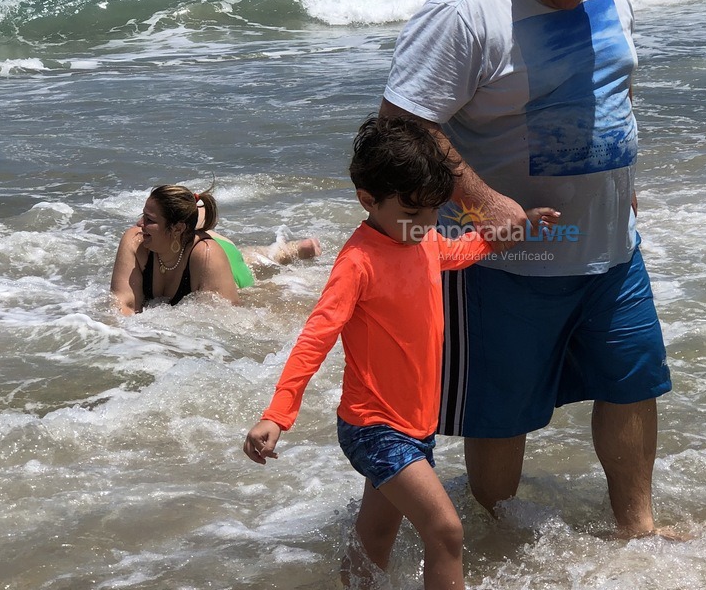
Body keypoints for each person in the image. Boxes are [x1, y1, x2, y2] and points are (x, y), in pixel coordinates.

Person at [380, 0, 672, 539]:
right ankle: (504, 545)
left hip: (612, 245)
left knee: (632, 383)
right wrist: (480, 202)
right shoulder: (465, 8)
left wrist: (626, 189)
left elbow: (615, 88)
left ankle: (640, 532)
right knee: (501, 414)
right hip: (506, 260)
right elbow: (401, 121)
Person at [243, 116, 557, 589]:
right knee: (446, 530)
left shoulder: (421, 237)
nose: (427, 224)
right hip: (374, 427)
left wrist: (517, 229)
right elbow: (315, 337)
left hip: (415, 424)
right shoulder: (358, 263)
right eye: (413, 213)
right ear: (367, 200)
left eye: (434, 211)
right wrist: (277, 414)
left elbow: (460, 249)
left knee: (376, 537)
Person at [110, 184, 321, 315]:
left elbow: (226, 319)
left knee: (250, 268)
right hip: (185, 244)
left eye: (149, 219)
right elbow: (123, 304)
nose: (139, 223)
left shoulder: (208, 256)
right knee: (249, 258)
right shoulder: (136, 241)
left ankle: (293, 250)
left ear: (177, 228)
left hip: (218, 255)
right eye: (143, 215)